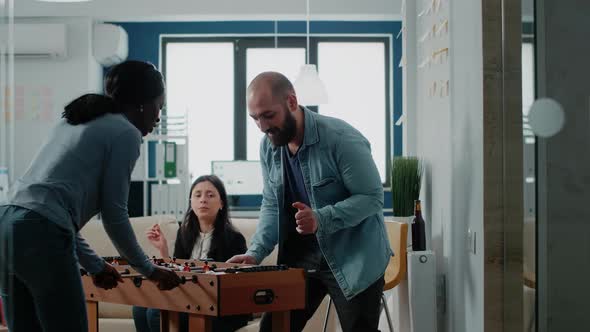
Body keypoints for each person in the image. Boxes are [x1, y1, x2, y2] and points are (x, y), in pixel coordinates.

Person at [0, 60, 181, 332]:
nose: (158, 117)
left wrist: (96, 266)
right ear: (143, 103)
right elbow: (114, 215)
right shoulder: (126, 133)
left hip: (6, 223)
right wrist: (150, 270)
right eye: (159, 106)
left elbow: (57, 217)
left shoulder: (76, 120)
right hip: (38, 232)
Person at [227, 72, 392, 332]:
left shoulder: (341, 139)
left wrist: (321, 218)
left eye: (269, 115)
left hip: (353, 257)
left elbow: (372, 198)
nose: (262, 126)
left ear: (292, 102)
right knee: (273, 329)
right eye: (255, 118)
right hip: (301, 258)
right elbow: (272, 204)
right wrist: (254, 253)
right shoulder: (268, 146)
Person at [133, 175, 250, 332]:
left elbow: (235, 287)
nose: (203, 200)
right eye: (197, 195)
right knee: (139, 308)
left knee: (156, 313)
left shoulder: (234, 239)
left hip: (220, 308)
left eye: (210, 195)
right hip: (190, 300)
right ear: (191, 202)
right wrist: (163, 250)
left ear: (221, 203)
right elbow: (176, 275)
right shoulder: (184, 234)